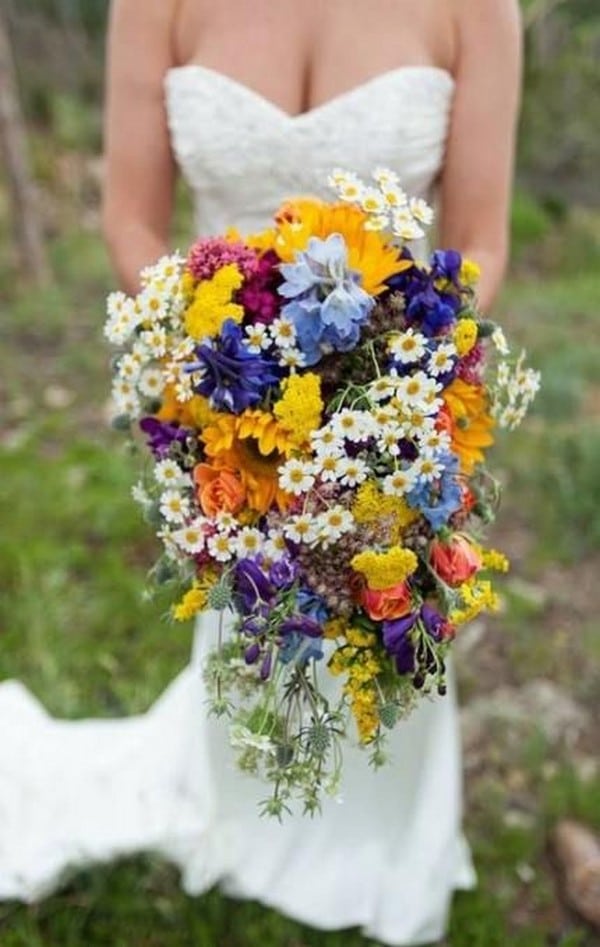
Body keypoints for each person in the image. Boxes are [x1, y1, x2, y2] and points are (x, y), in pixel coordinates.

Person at [0, 1, 522, 943]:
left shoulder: (477, 11)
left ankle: (386, 841)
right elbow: (129, 219)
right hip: (229, 395)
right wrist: (224, 372)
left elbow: (483, 240)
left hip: (389, 403)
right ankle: (245, 813)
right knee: (259, 617)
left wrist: (385, 380)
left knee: (381, 620)